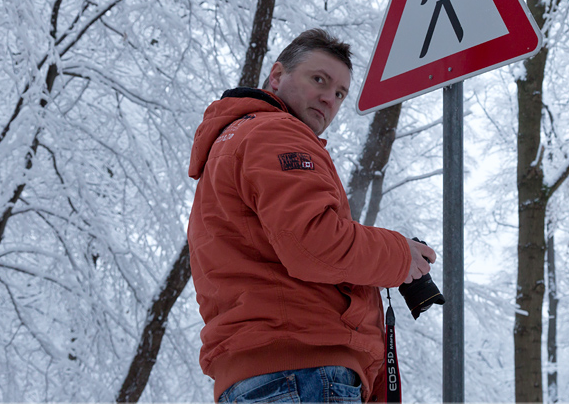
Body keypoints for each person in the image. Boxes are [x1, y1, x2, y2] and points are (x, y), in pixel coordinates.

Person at [187, 28, 436, 403]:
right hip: (301, 372)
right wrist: (399, 255)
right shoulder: (276, 132)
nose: (329, 99)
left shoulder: (233, 143)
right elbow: (314, 243)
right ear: (276, 75)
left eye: (340, 93)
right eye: (318, 79)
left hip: (265, 375)